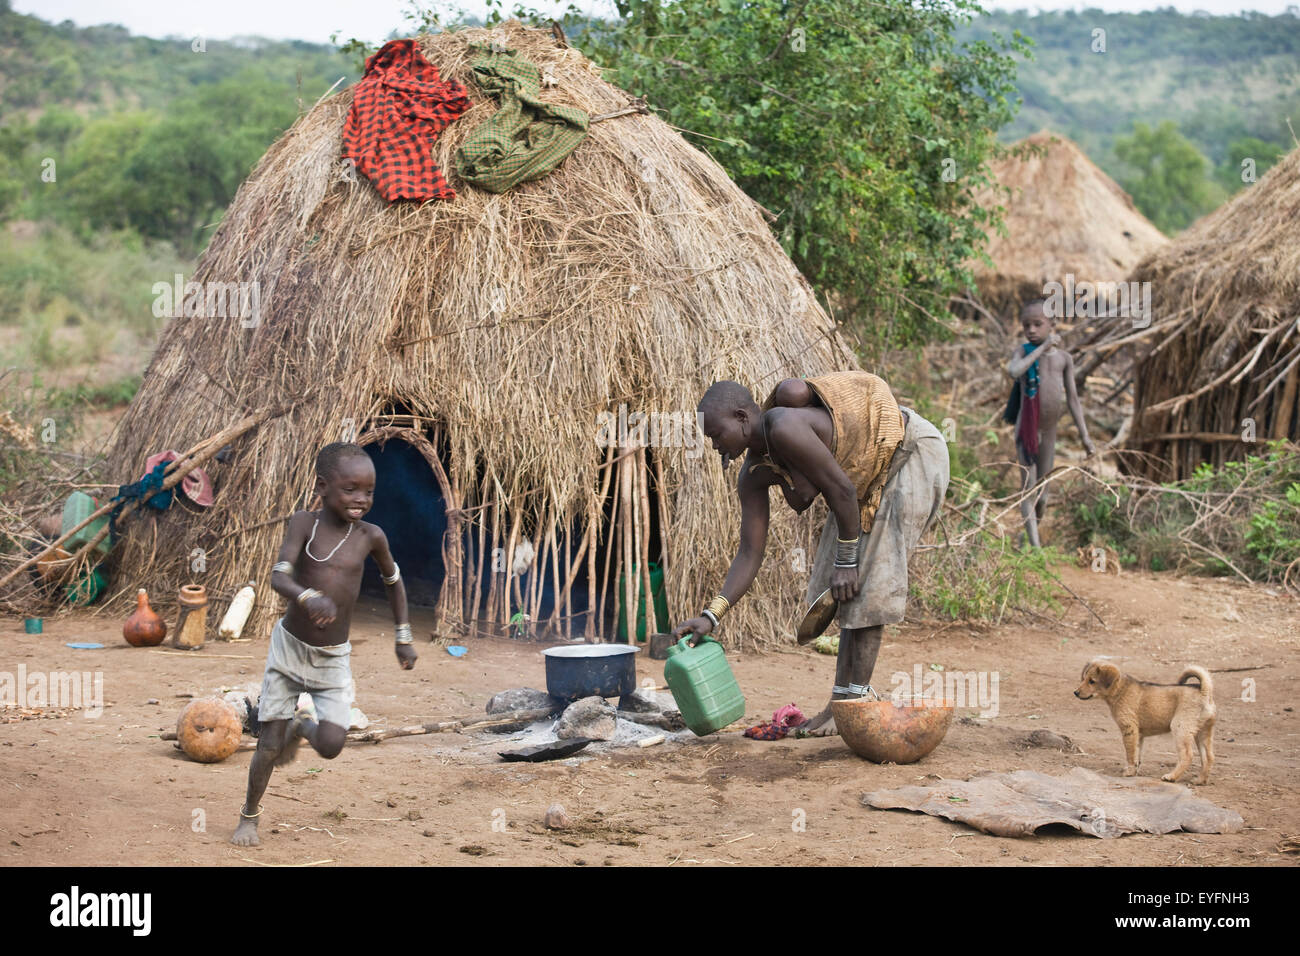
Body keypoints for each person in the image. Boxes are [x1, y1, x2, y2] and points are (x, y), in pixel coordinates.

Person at [672, 372, 949, 736]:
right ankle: (841, 705)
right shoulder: (753, 473)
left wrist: (847, 560)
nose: (714, 445)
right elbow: (750, 551)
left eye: (717, 434)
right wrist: (712, 615)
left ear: (742, 417)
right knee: (838, 592)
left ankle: (855, 704)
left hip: (907, 453)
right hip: (859, 483)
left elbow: (842, 491)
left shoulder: (783, 425)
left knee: (867, 587)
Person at [231, 442, 416, 846]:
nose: (361, 499)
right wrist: (307, 596)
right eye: (350, 489)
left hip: (333, 657)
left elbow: (394, 582)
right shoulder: (304, 523)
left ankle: (304, 725)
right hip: (290, 649)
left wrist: (403, 636)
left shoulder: (371, 536)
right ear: (322, 487)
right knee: (268, 745)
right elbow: (279, 576)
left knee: (332, 744)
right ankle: (249, 815)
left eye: (368, 491)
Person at [1006, 299, 1096, 549]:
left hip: (1049, 431)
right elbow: (1014, 371)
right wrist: (1042, 346)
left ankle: (1027, 537)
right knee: (1027, 489)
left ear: (1052, 324)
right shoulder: (1023, 352)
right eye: (1027, 326)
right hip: (1027, 429)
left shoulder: (1063, 359)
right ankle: (1036, 551)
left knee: (1043, 495)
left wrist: (1085, 436)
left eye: (1038, 324)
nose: (1031, 330)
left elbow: (1074, 400)